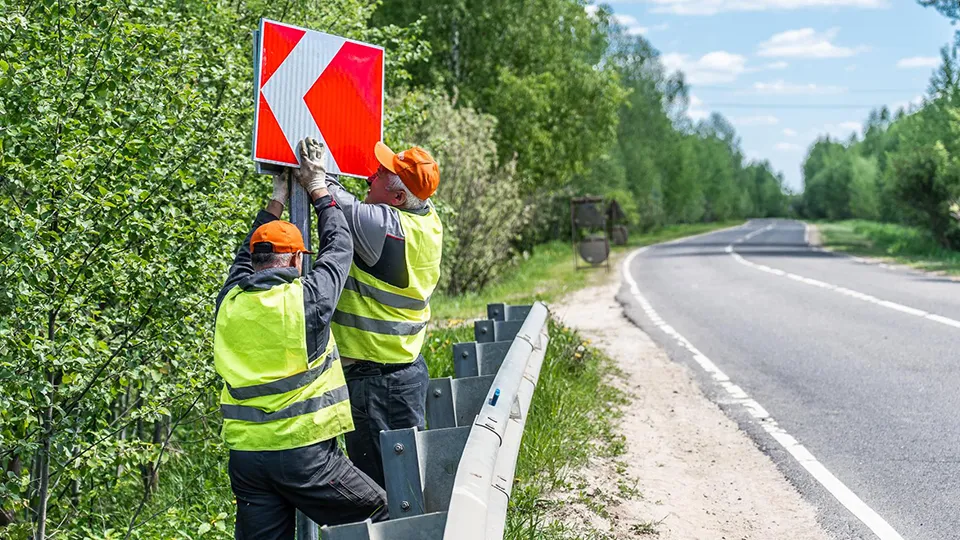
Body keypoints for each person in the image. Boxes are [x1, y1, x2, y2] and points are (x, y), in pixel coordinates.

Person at [213, 139, 387, 539]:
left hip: (247, 459)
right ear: (295, 260)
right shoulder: (308, 300)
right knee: (380, 511)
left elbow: (243, 257)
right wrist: (318, 188)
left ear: (254, 260)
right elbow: (340, 245)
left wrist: (277, 196)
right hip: (303, 456)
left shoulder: (230, 301)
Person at [323, 139, 443, 488]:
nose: (369, 178)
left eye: (378, 176)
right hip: (401, 374)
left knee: (382, 492)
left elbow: (325, 189)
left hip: (378, 384)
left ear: (399, 198)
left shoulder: (384, 227)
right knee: (402, 486)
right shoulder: (427, 219)